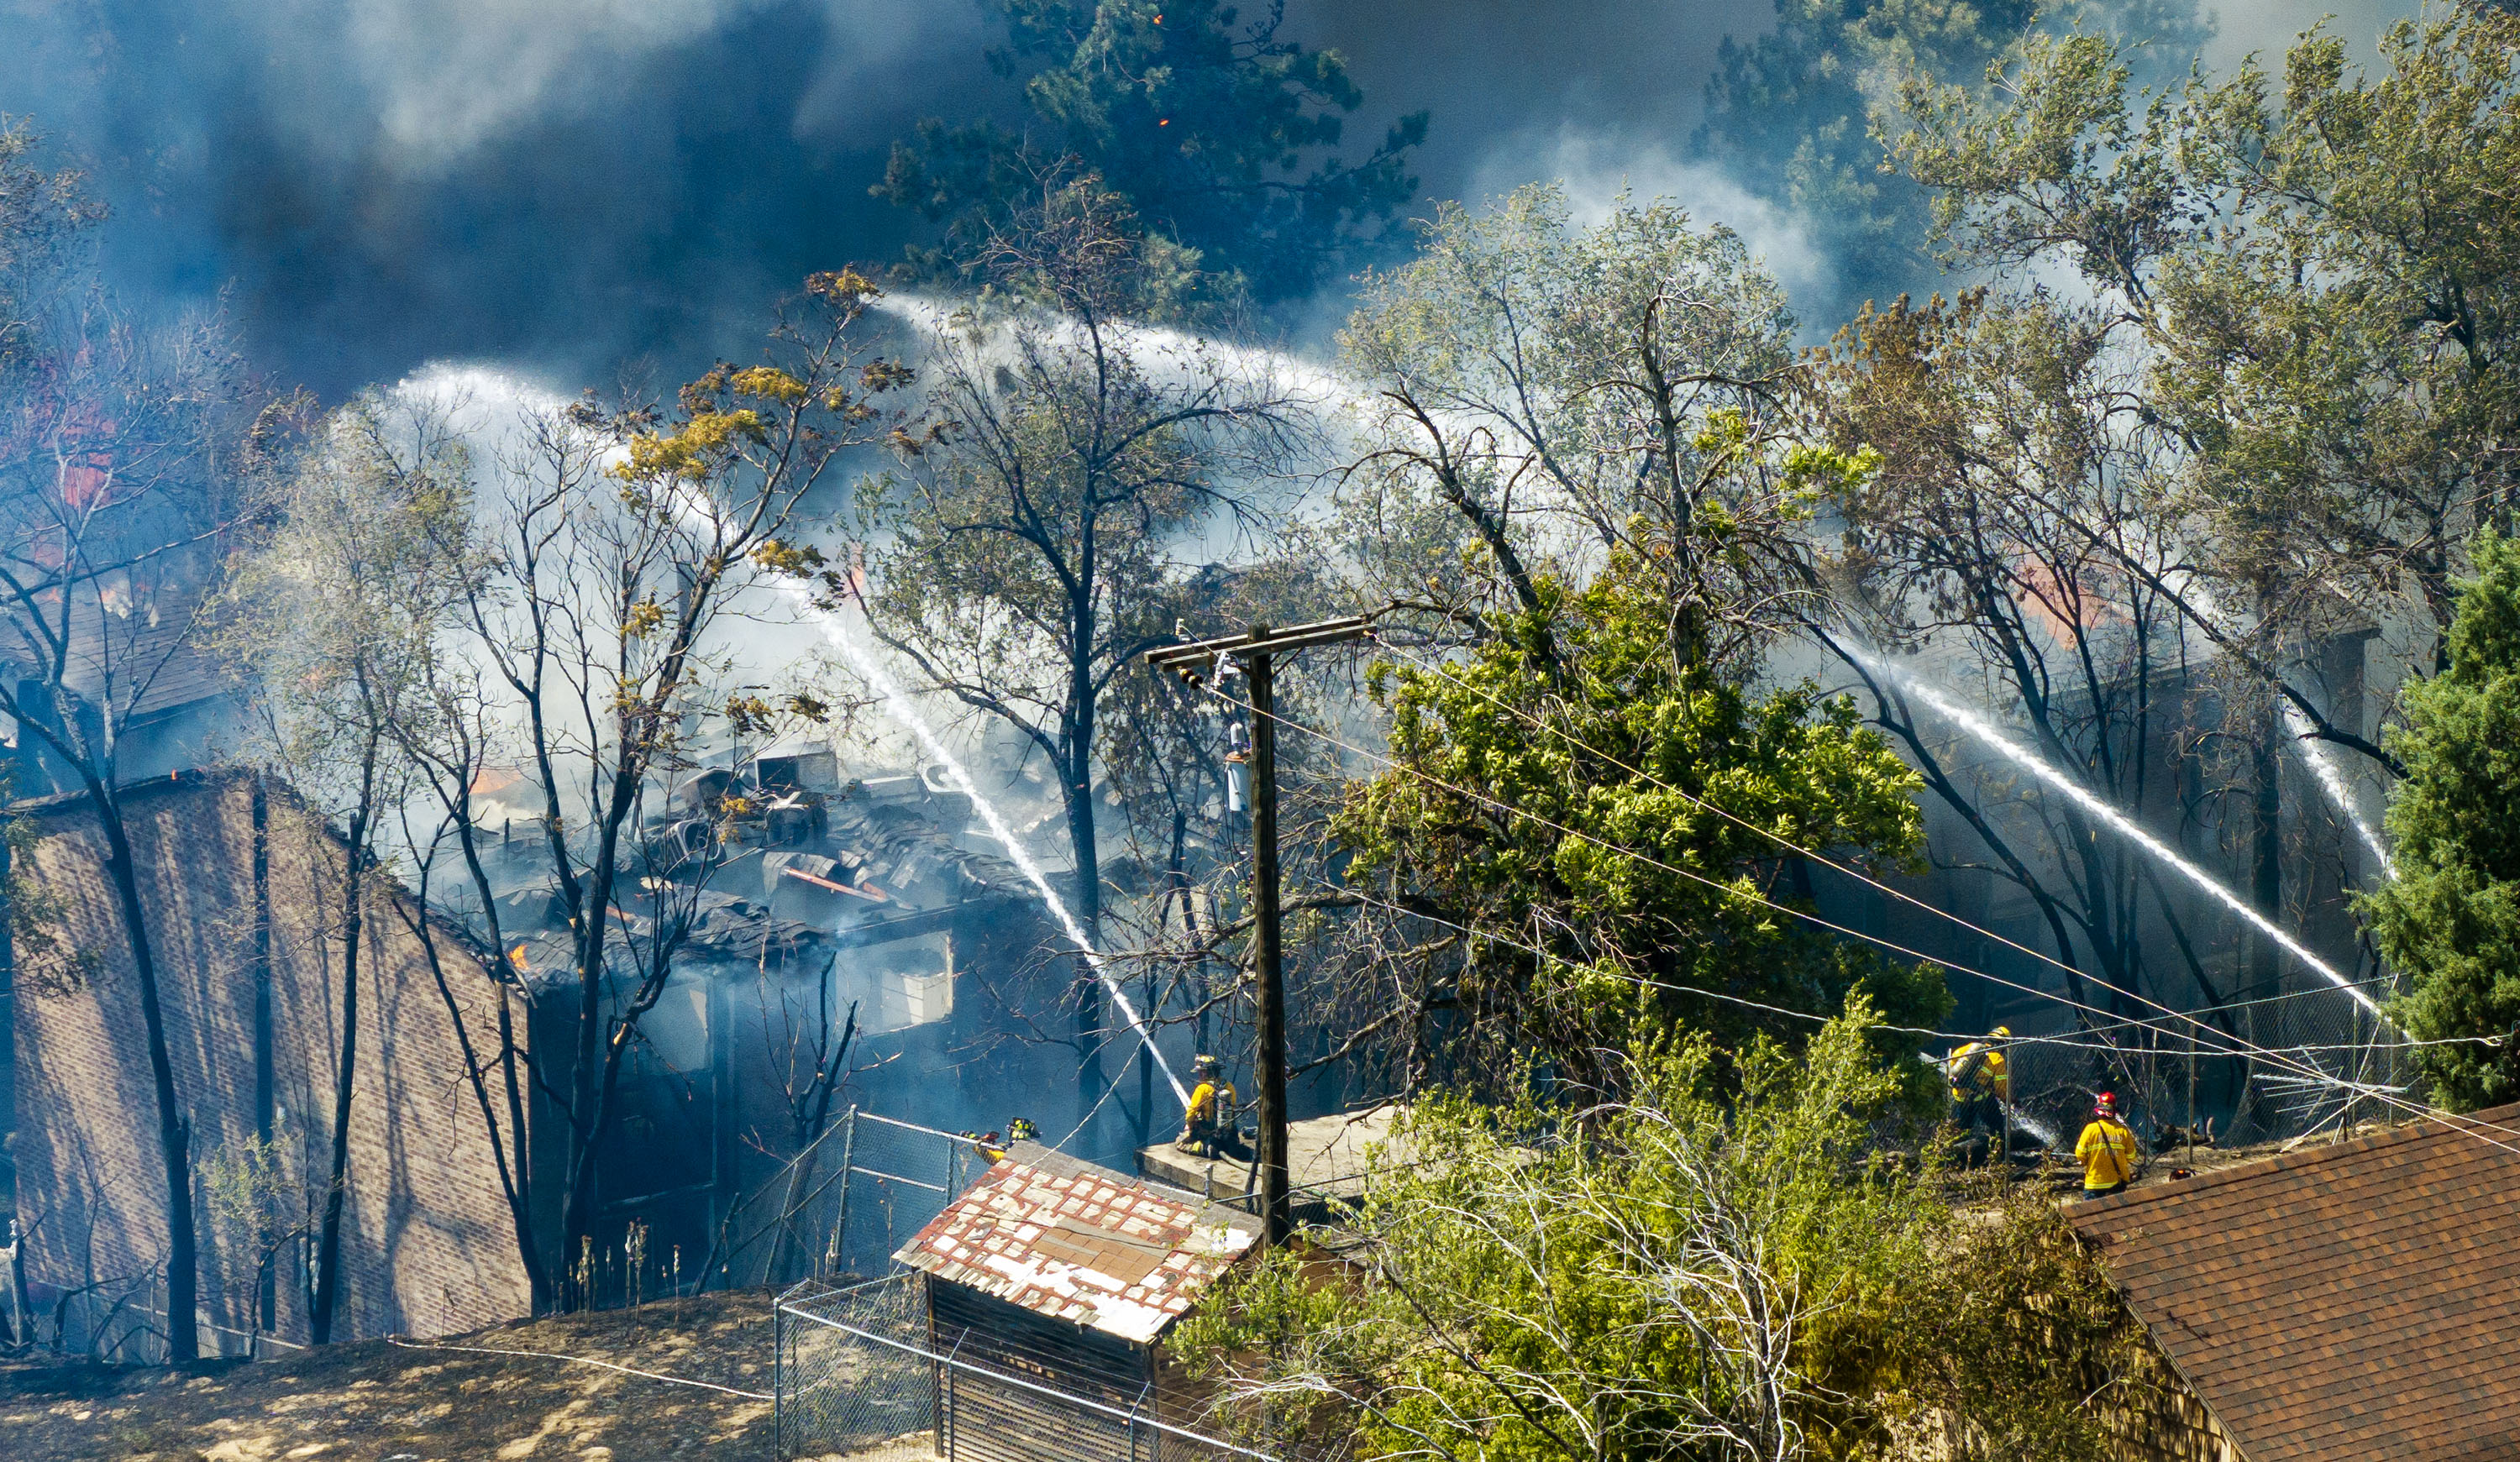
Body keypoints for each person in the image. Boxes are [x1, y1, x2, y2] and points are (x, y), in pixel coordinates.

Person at [1946, 1026, 2012, 1142]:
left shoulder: (1967, 1048)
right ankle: (1997, 1147)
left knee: (1963, 1129)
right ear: (2002, 1044)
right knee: (1997, 1126)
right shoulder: (1997, 1059)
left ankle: (1957, 1149)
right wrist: (2008, 1101)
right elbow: (2000, 1089)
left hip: (1960, 1097)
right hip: (1982, 1099)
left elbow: (1952, 1068)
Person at [1176, 1054, 1246, 1159]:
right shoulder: (1229, 1087)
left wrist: (1190, 1127)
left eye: (1201, 1072)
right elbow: (1232, 1109)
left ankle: (1205, 1148)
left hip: (1210, 1133)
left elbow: (1190, 1115)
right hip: (1229, 1133)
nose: (1199, 1075)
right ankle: (1230, 1147)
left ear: (1205, 1072)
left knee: (1180, 1142)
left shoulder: (1202, 1089)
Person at [2074, 1092, 2140, 1200]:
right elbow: (2131, 1156)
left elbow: (2080, 1154)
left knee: (2091, 1210)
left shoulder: (2090, 1129)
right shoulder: (2123, 1131)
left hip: (2094, 1182)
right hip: (2116, 1183)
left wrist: (2086, 1161)